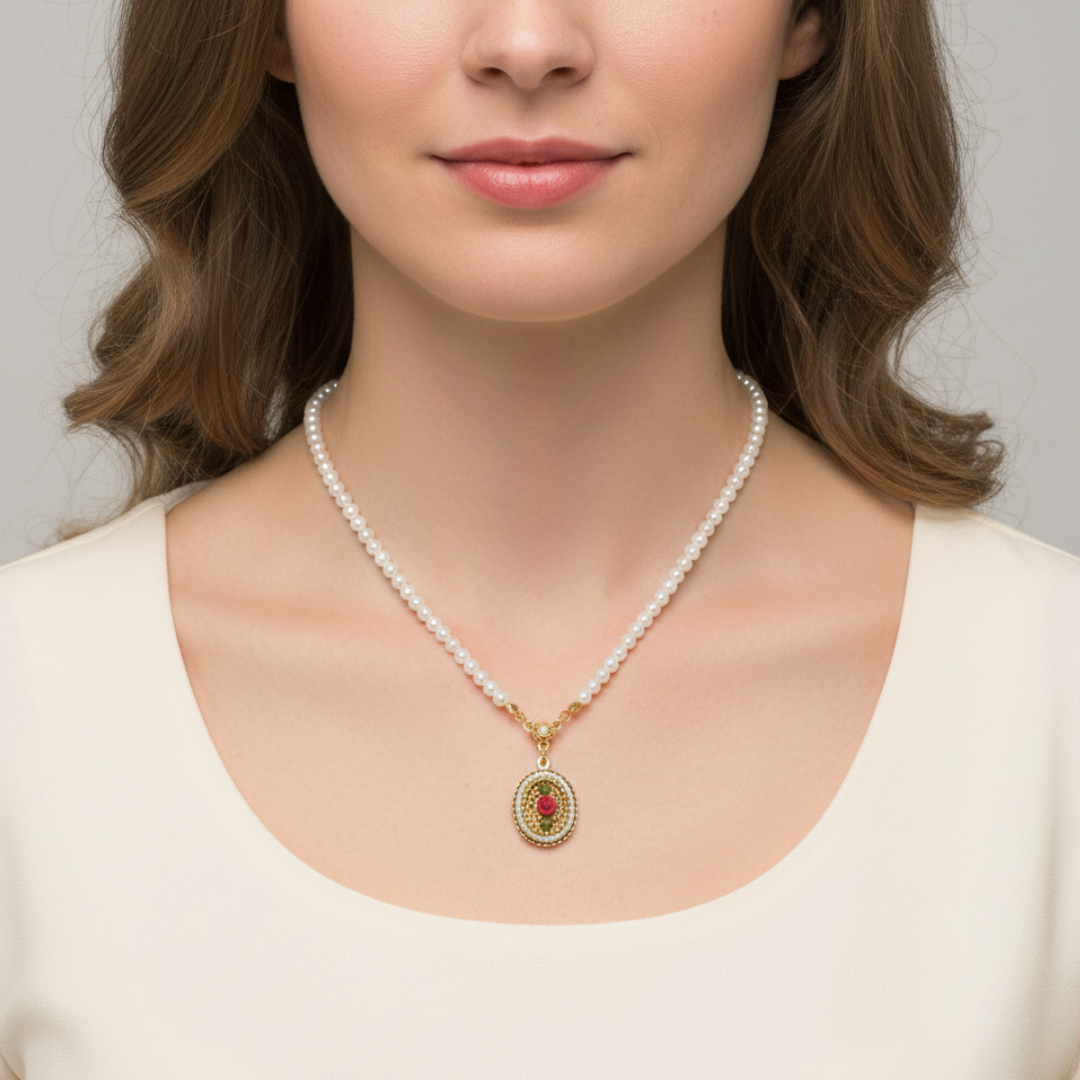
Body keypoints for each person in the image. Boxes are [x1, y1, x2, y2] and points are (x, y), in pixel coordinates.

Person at [1, 0, 1077, 1074]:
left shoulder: (1046, 705)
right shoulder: (32, 711)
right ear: (266, 25)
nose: (526, 43)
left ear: (812, 18)